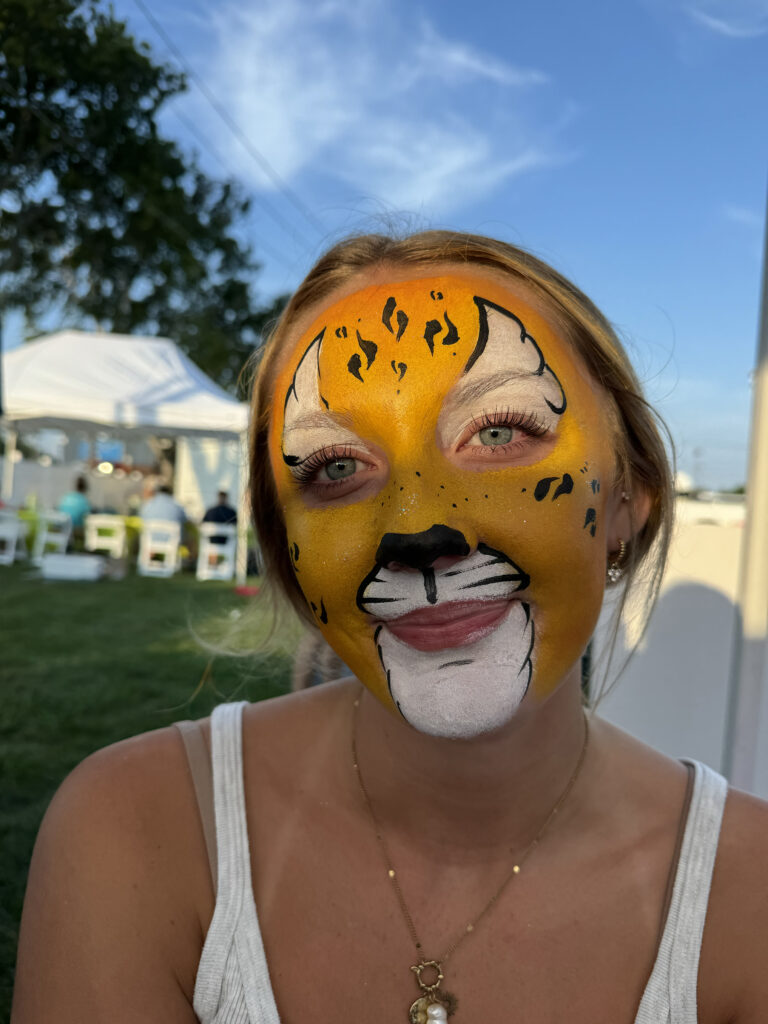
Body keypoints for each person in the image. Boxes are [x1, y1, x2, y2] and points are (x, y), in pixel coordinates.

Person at [12, 231, 768, 1023]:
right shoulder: (134, 837)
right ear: (288, 551)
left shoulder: (746, 894)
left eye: (500, 431)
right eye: (334, 467)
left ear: (626, 502)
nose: (419, 530)